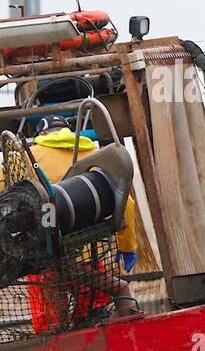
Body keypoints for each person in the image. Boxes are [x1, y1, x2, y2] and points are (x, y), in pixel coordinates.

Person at [24, 117, 140, 324]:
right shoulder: (94, 154)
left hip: (44, 253)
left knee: (48, 310)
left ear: (40, 135)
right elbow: (126, 204)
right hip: (90, 251)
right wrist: (126, 245)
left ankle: (51, 337)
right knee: (95, 307)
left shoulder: (29, 157)